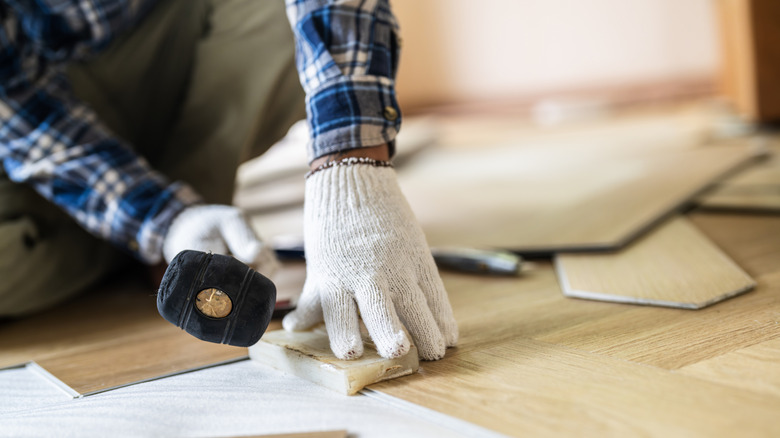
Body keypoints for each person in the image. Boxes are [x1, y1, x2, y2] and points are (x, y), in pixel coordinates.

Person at [0, 0, 457, 361]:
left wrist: (353, 162)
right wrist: (165, 220)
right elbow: (15, 108)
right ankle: (155, 237)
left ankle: (162, 233)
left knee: (276, 12)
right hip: (21, 132)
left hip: (165, 48)